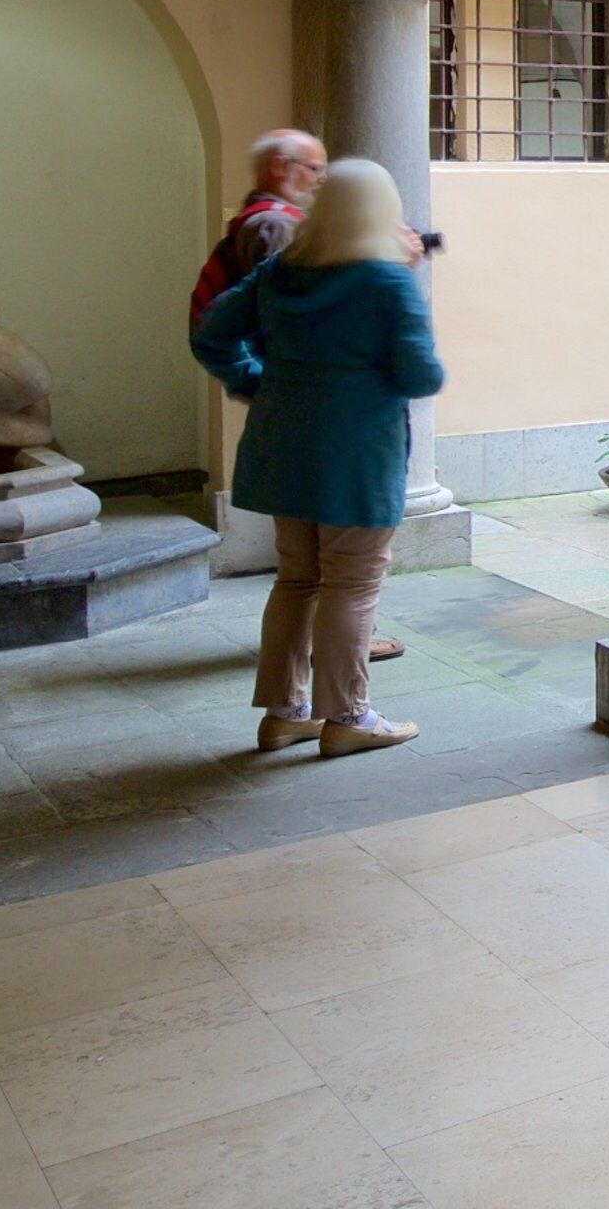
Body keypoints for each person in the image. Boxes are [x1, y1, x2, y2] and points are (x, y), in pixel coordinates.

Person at [192, 157, 440, 756]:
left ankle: (285, 714)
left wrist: (255, 380)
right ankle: (348, 717)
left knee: (297, 578)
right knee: (352, 586)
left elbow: (211, 334)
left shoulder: (281, 271)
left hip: (285, 445)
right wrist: (407, 273)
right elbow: (421, 373)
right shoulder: (387, 279)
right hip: (355, 454)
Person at [193, 130, 323, 322]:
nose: (321, 178)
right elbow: (288, 308)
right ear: (279, 166)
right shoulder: (276, 224)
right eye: (314, 169)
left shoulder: (258, 217)